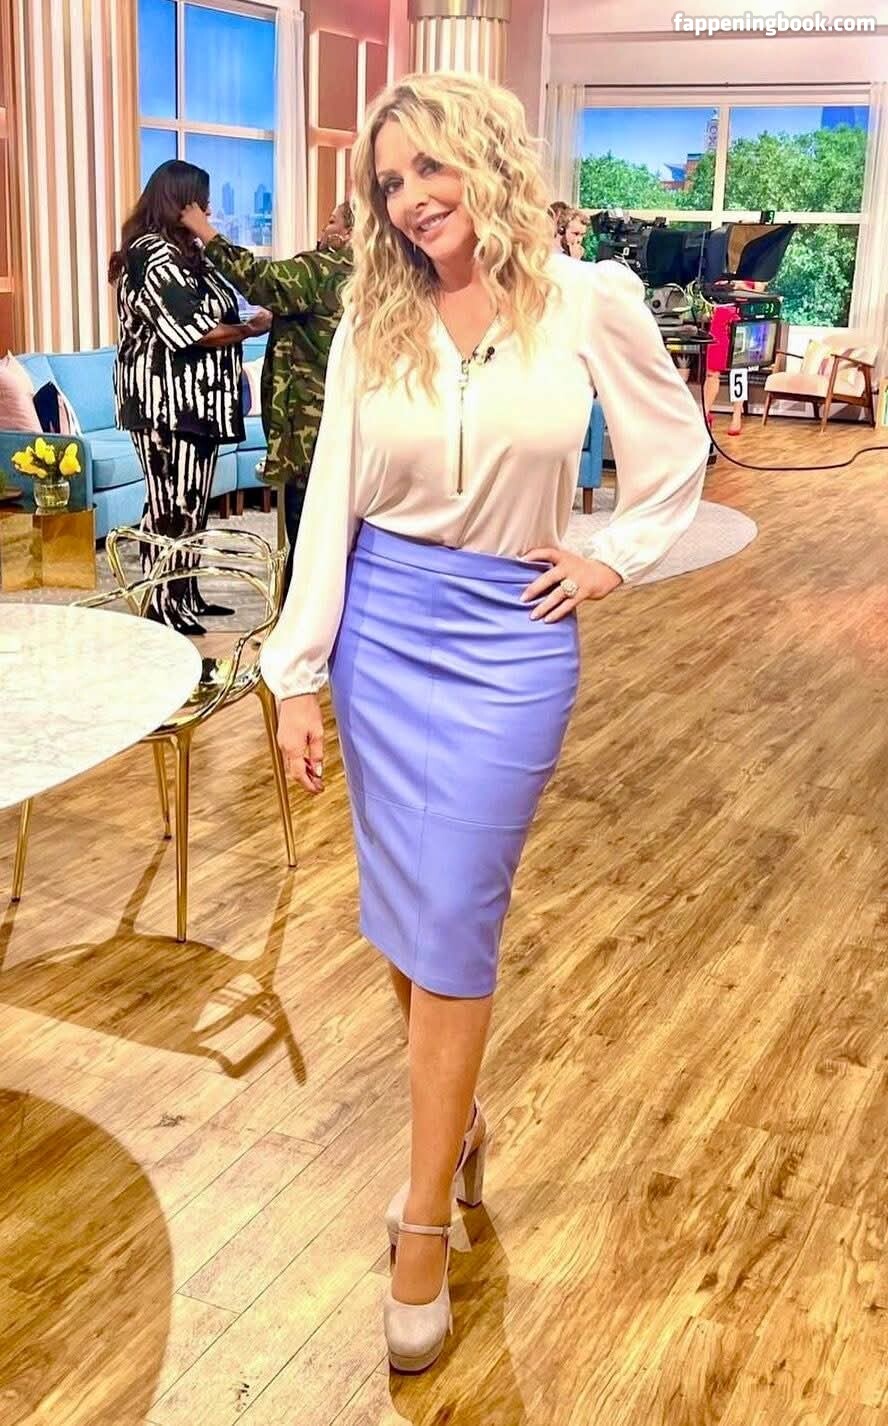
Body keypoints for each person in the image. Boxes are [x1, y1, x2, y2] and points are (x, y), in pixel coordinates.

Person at [260, 72, 710, 1373]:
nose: (412, 200)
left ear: (487, 157)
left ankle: (421, 1222)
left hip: (512, 641)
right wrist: (296, 672)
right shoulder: (375, 314)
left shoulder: (589, 298)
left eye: (429, 167)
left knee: (455, 903)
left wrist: (615, 555)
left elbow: (675, 450)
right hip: (383, 633)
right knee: (409, 905)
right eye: (390, 183)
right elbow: (332, 498)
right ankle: (452, 1126)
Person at [110, 160, 271, 634]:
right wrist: (250, 329)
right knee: (170, 507)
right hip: (165, 403)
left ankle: (185, 595)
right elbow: (194, 330)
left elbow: (231, 295)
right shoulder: (150, 255)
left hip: (198, 404)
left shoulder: (189, 254)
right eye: (201, 202)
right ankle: (161, 606)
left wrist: (243, 315)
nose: (209, 210)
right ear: (179, 202)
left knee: (192, 506)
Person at [179, 201, 355, 596]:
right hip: (347, 429)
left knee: (307, 542)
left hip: (309, 433)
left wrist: (205, 231)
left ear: (349, 232)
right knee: (334, 541)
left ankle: (296, 624)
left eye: (331, 221)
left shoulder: (322, 268)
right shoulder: (370, 276)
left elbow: (259, 279)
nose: (324, 228)